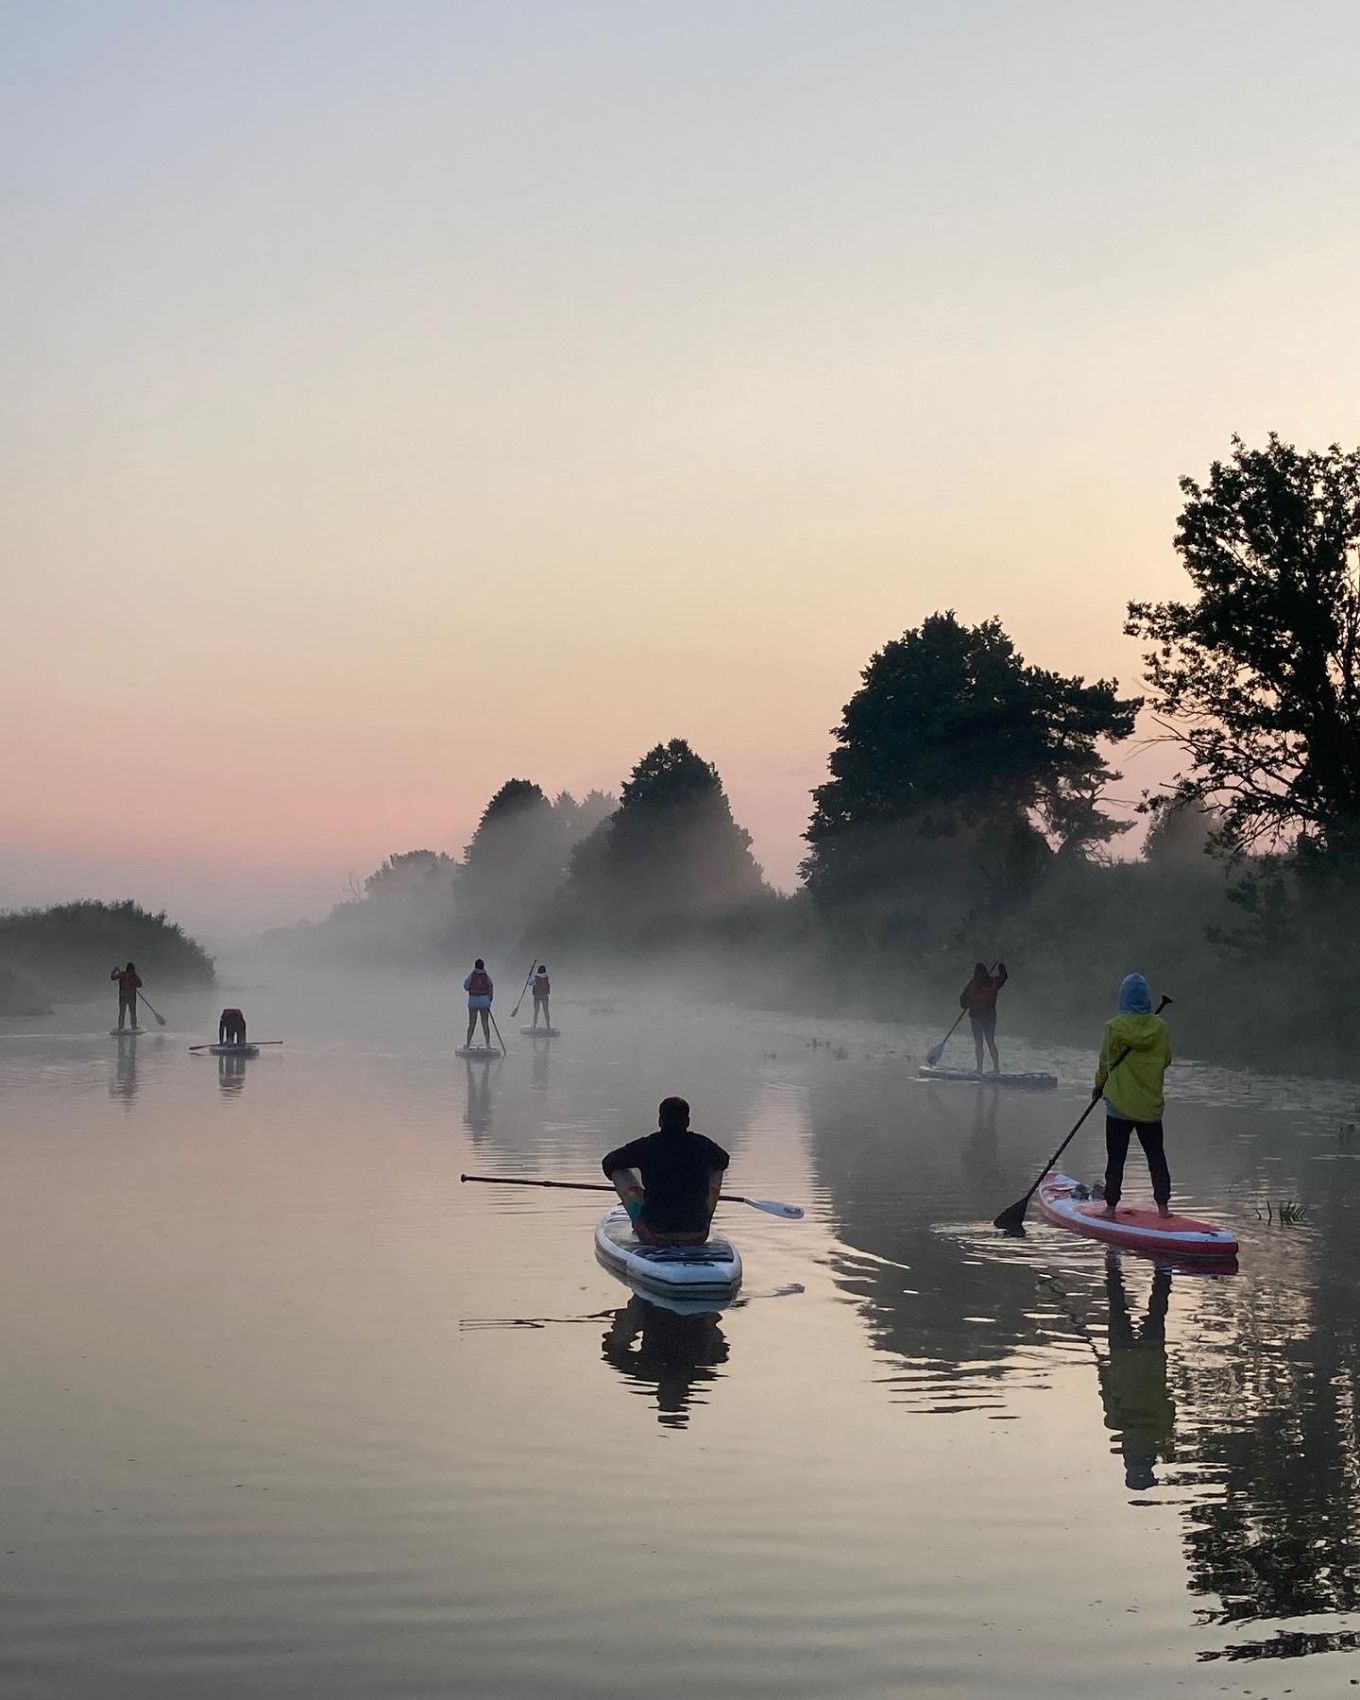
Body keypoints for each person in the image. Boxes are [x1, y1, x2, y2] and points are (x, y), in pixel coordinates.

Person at [1093, 972, 1173, 1219]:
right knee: (1156, 1156)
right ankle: (1163, 1208)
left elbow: (1105, 1063)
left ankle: (1110, 1207)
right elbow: (1166, 1060)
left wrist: (1098, 1087)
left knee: (1116, 1157)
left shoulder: (1114, 1027)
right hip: (1149, 1106)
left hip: (1118, 1104)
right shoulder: (1159, 1027)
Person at [601, 1096, 730, 1245]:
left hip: (655, 1233)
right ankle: (698, 1219)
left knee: (618, 1170)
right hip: (698, 1234)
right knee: (717, 1169)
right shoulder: (702, 1144)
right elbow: (724, 1160)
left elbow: (608, 1163)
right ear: (687, 1122)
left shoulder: (647, 1146)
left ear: (660, 1121)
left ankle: (642, 1219)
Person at [960, 960, 1008, 1074]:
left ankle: (979, 1069)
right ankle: (996, 1068)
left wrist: (969, 1003)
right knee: (990, 1041)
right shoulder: (993, 982)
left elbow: (962, 1003)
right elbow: (1004, 976)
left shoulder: (972, 985)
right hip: (990, 1016)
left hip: (976, 1017)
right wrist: (1001, 966)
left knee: (979, 1043)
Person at [463, 958, 494, 1047]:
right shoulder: (486, 977)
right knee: (485, 1023)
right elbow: (490, 988)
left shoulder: (471, 976)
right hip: (484, 1002)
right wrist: (489, 1001)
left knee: (472, 1023)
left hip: (473, 1002)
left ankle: (468, 1044)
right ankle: (488, 1044)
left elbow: (465, 986)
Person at [110, 961, 142, 1031]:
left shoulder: (122, 974)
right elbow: (140, 984)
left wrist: (115, 970)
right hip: (131, 996)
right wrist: (134, 985)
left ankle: (121, 1027)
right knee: (132, 1012)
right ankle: (134, 1027)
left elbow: (112, 977)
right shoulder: (134, 975)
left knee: (122, 1012)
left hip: (123, 996)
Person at [531, 964, 551, 1029]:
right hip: (545, 996)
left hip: (537, 996)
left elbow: (530, 983)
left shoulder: (535, 977)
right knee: (546, 1011)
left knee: (536, 1011)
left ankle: (534, 1026)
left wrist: (529, 977)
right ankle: (548, 1026)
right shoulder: (546, 977)